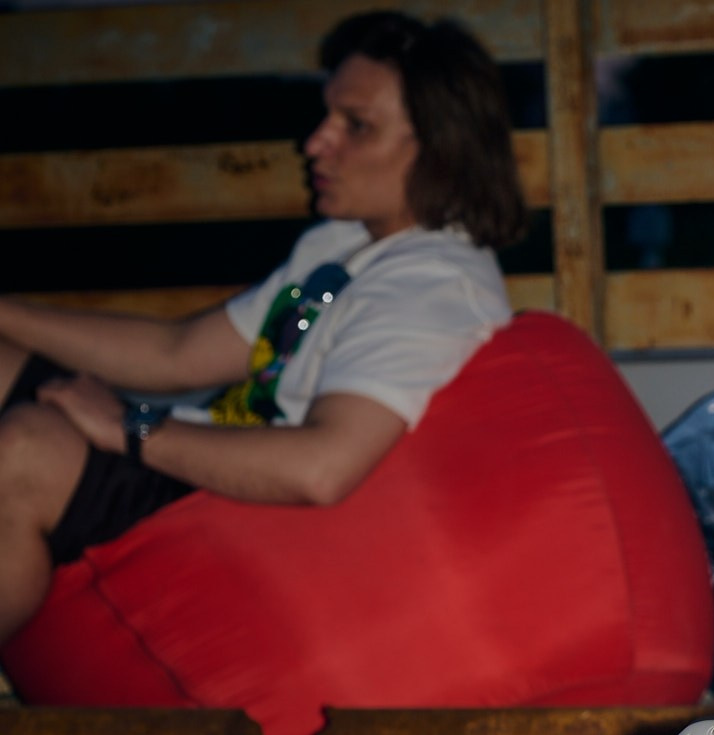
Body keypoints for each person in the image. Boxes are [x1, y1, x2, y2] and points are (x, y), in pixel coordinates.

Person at [0, 10, 524, 646]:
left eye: (356, 127)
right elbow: (176, 353)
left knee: (26, 448)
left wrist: (129, 426)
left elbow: (322, 468)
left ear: (442, 148)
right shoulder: (346, 246)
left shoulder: (432, 288)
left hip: (248, 522)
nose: (316, 143)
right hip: (208, 456)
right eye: (329, 116)